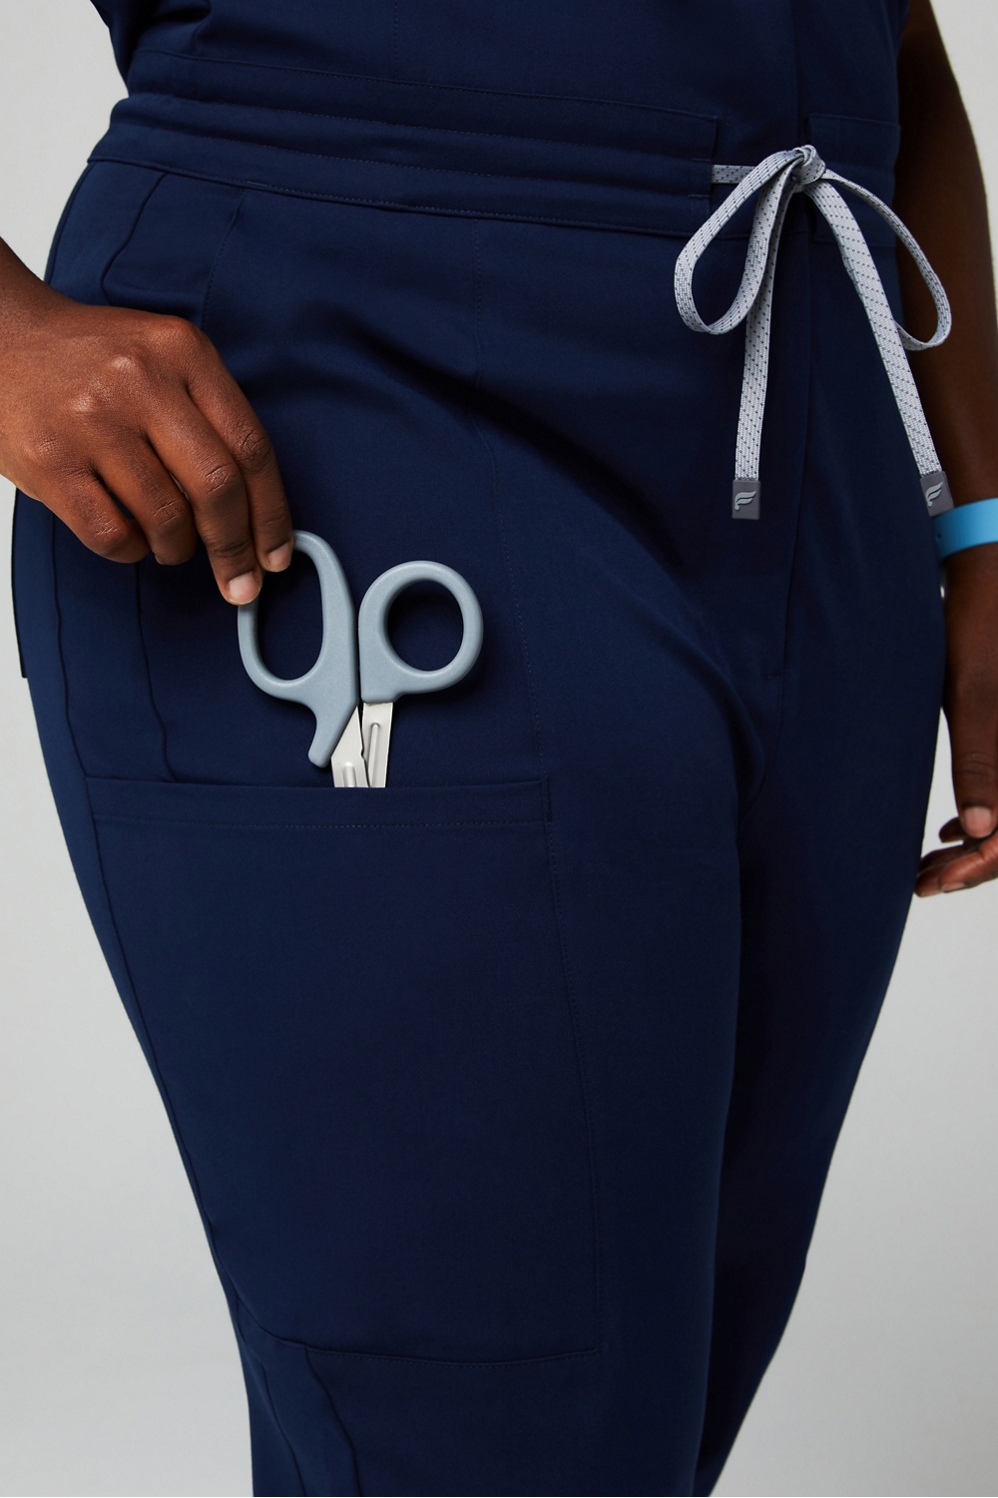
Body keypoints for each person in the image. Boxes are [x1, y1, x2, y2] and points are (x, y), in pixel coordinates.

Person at [2, 1, 996, 1493]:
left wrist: (980, 526)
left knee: (647, 1402)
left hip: (821, 424)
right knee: (496, 1433)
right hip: (347, 379)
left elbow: (897, 43)